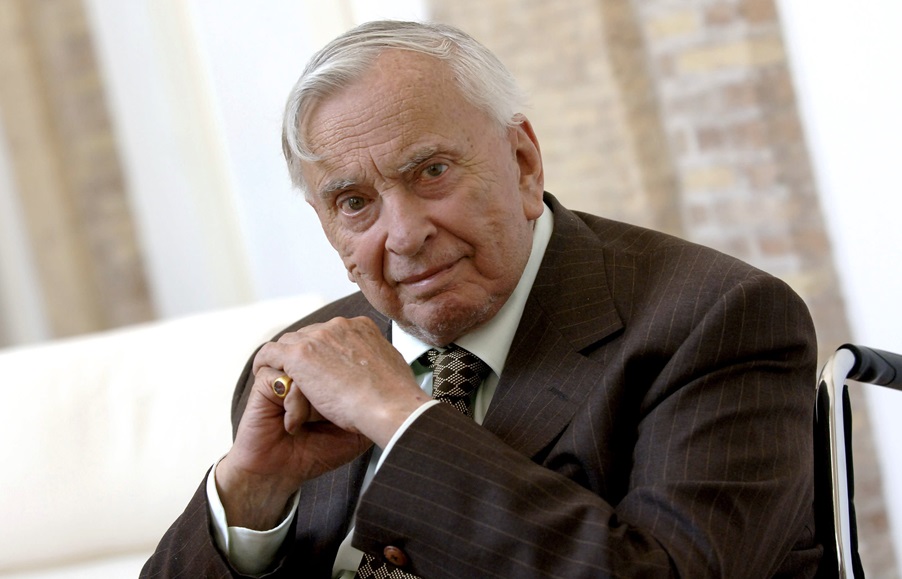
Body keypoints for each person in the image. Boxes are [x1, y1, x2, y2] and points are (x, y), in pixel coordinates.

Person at [141, 20, 822, 578]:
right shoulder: (300, 368)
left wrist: (401, 420)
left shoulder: (717, 320)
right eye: (354, 202)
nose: (403, 235)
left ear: (524, 164)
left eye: (432, 171)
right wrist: (250, 495)